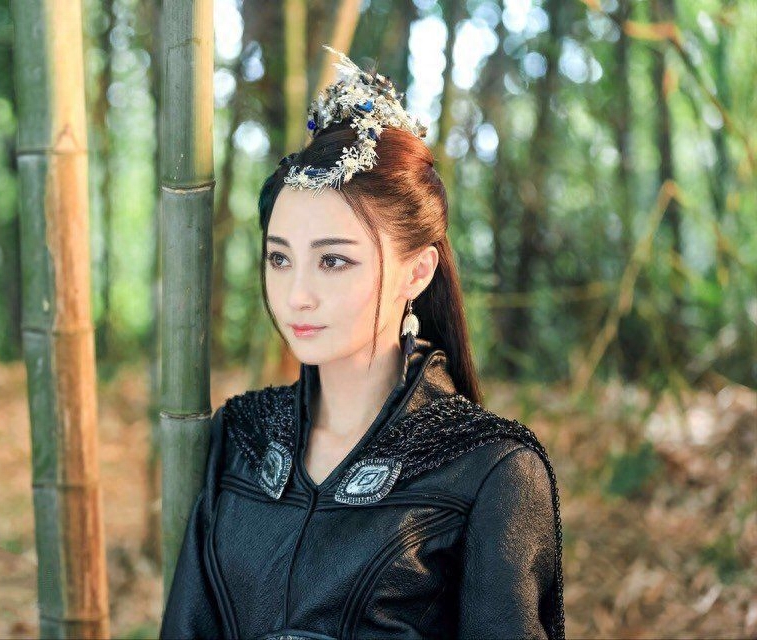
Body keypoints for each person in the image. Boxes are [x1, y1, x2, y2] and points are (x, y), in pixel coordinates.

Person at [160, 45, 565, 640]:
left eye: (333, 261)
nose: (297, 295)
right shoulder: (242, 438)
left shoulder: (490, 471)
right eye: (280, 258)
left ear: (417, 272)